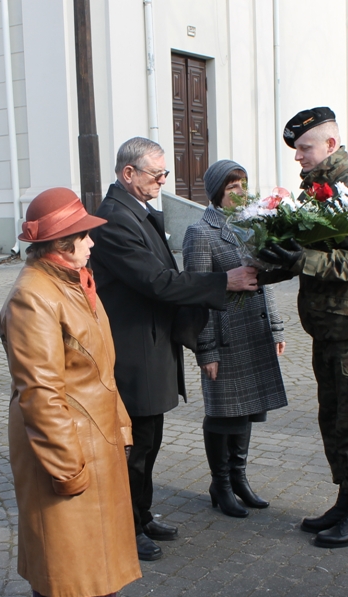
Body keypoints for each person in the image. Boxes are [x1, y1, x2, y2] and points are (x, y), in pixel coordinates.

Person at [90, 137, 259, 561]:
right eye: (157, 174)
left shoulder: (137, 210)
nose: (164, 181)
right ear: (128, 173)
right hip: (134, 351)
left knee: (149, 442)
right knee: (134, 448)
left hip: (152, 345)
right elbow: (156, 282)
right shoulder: (114, 217)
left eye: (165, 174)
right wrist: (224, 281)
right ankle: (126, 527)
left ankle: (142, 515)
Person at [0, 187, 140, 597]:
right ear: (61, 243)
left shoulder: (76, 281)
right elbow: (39, 391)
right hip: (62, 437)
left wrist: (119, 425)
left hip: (92, 430)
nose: (92, 244)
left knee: (94, 543)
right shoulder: (32, 297)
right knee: (70, 549)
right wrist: (65, 463)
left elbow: (102, 366)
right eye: (85, 236)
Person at [257, 107, 348, 549]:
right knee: (333, 420)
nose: (297, 157)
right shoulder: (317, 194)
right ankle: (346, 499)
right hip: (328, 329)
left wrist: (303, 259)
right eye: (296, 150)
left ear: (331, 145)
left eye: (304, 148)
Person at [182, 160, 288, 518]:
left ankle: (240, 477)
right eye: (232, 188)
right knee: (224, 414)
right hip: (224, 338)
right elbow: (196, 295)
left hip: (254, 334)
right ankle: (221, 484)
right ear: (216, 193)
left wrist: (274, 327)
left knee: (247, 413)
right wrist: (206, 349)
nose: (241, 193)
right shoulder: (201, 233)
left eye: (243, 185)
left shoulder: (252, 225)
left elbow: (262, 281)